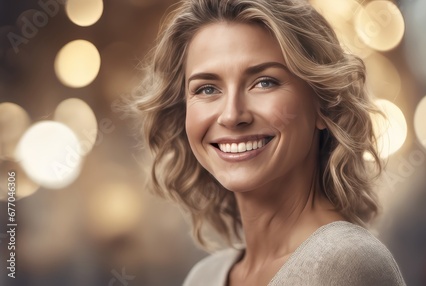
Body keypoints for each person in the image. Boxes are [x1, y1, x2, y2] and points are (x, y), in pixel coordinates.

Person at [132, 0, 406, 285]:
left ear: (323, 104)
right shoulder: (203, 277)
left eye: (264, 82)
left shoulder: (345, 263)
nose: (231, 115)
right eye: (207, 88)